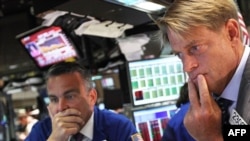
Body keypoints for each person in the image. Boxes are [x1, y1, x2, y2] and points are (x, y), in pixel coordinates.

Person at [157, 0, 250, 140]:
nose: (187, 67)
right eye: (180, 55)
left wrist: (210, 137)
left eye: (195, 48)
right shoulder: (201, 109)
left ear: (231, 33)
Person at [25, 62, 142, 141]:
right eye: (54, 99)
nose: (60, 107)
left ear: (91, 97)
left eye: (70, 96)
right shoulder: (41, 131)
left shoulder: (119, 126)